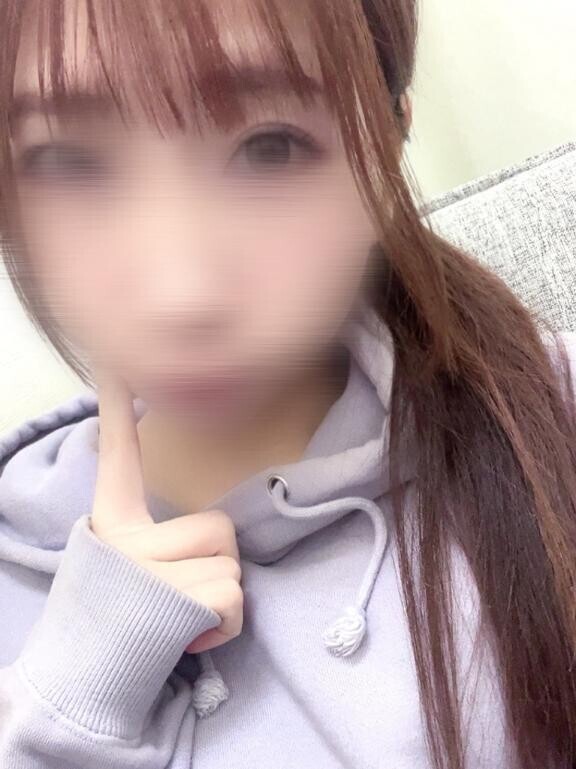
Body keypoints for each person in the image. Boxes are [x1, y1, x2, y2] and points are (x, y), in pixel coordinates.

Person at [0, 1, 575, 768]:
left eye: (269, 149)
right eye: (69, 163)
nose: (182, 295)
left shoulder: (552, 422)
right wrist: (69, 699)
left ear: (387, 141)